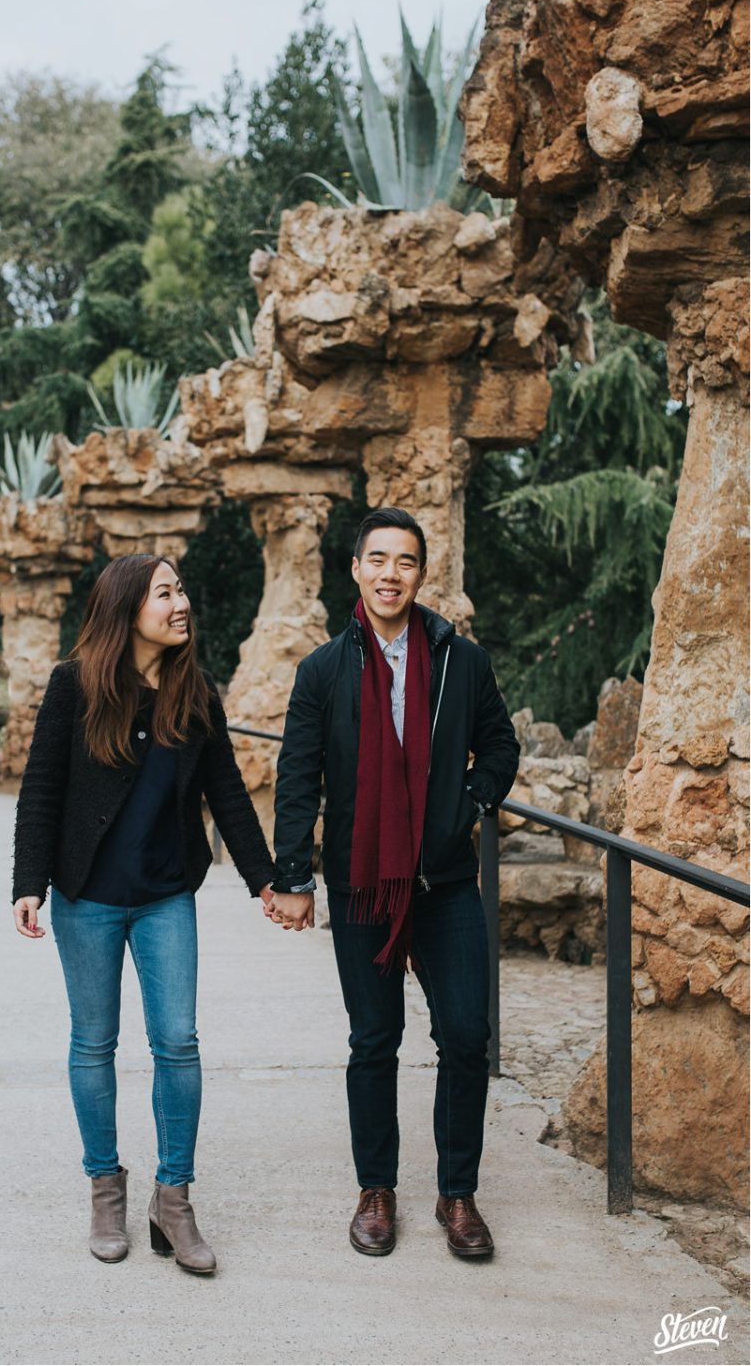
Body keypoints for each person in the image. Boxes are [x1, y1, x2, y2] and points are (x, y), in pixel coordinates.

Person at [266, 505, 520, 1260]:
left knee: (467, 1035)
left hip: (444, 881)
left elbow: (500, 747)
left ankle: (458, 1192)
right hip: (360, 884)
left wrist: (465, 807)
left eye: (405, 561)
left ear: (420, 573)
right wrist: (293, 876)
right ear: (356, 570)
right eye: (377, 560)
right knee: (374, 1040)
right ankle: (376, 1190)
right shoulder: (321, 671)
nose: (390, 574)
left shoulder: (459, 660)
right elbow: (296, 781)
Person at [12, 554, 276, 1274]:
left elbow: (228, 796)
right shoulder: (75, 686)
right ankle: (106, 1191)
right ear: (129, 608)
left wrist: (267, 883)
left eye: (182, 589)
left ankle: (173, 1200)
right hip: (86, 898)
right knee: (94, 1043)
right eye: (166, 592)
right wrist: (27, 882)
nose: (181, 602)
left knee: (178, 1042)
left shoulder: (195, 693)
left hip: (164, 898)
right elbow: (41, 788)